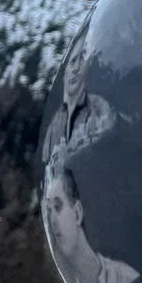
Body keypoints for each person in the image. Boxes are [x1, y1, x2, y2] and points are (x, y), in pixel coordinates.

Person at [42, 166, 139, 283]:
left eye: (57, 207)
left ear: (77, 213)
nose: (52, 221)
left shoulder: (125, 278)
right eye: (49, 210)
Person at [41, 21, 116, 172]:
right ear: (64, 73)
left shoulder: (101, 110)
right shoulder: (53, 127)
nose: (75, 68)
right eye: (72, 61)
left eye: (81, 60)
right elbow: (46, 168)